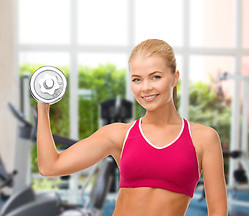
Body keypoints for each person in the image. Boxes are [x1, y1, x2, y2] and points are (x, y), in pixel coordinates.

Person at [37, 39, 228, 216]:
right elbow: (50, 166)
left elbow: (218, 212)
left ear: (175, 77)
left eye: (155, 77)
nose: (145, 88)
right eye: (137, 79)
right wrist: (43, 105)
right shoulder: (120, 135)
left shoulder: (203, 138)